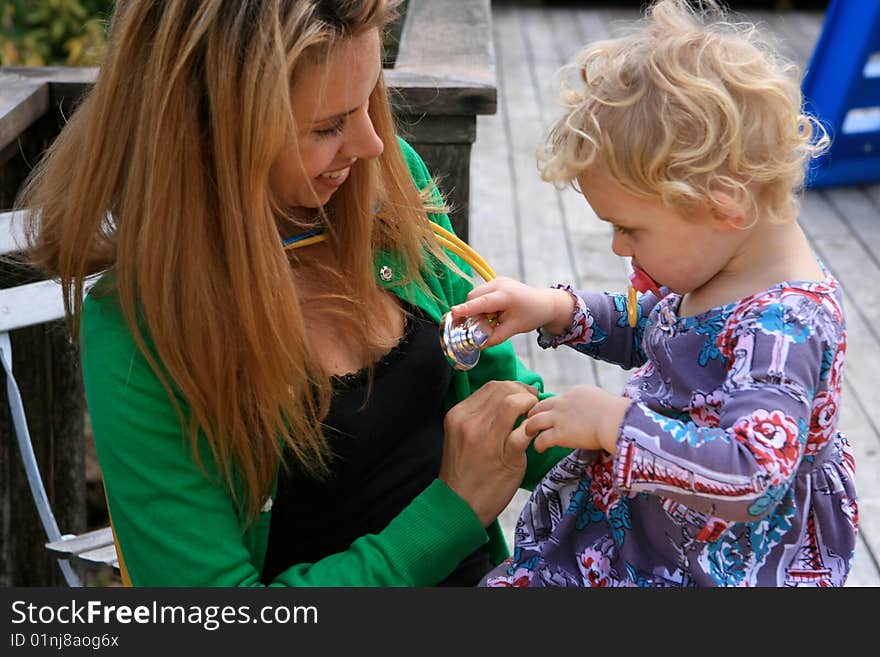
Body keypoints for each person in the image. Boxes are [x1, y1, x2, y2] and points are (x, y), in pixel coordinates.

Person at [18, 0, 568, 586]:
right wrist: (451, 515)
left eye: (369, 101)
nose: (373, 144)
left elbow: (501, 396)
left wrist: (634, 448)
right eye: (328, 125)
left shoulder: (384, 180)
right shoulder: (140, 332)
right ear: (210, 130)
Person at [452, 0, 859, 587]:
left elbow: (754, 475)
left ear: (725, 204)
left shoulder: (782, 327)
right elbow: (664, 333)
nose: (620, 248)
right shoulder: (721, 270)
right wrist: (557, 310)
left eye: (631, 228)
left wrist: (616, 424)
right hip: (661, 534)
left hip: (719, 563)